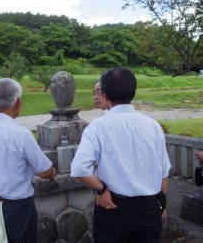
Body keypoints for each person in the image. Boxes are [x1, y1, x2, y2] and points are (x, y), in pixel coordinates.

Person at [71, 67, 171, 243]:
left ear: (105, 94)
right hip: (149, 208)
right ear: (132, 91)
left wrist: (101, 190)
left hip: (114, 207)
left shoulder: (97, 127)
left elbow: (79, 169)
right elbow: (164, 170)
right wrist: (162, 203)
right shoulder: (153, 125)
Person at [0, 78, 56, 243]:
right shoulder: (20, 134)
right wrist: (52, 173)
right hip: (17, 208)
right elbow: (44, 170)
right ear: (18, 102)